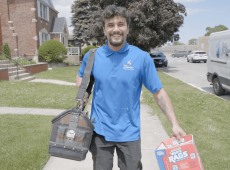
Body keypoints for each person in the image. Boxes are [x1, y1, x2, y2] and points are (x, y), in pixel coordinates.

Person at [76, 5, 186, 170]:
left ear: (128, 28)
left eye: (121, 24)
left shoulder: (142, 58)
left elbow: (158, 91)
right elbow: (81, 77)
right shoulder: (92, 56)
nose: (116, 29)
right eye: (110, 25)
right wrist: (82, 95)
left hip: (129, 133)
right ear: (104, 29)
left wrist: (174, 124)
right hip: (99, 131)